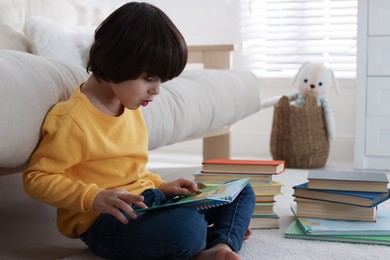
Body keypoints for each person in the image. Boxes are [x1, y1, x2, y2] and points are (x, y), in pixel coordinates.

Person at [23, 2, 255, 260]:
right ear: (115, 61)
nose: (156, 89)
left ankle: (219, 245)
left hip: (149, 202)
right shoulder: (72, 120)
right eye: (149, 78)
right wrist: (94, 197)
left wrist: (162, 186)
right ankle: (214, 235)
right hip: (106, 220)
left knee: (241, 191)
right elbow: (37, 178)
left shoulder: (130, 106)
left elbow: (132, 171)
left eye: (161, 81)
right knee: (187, 231)